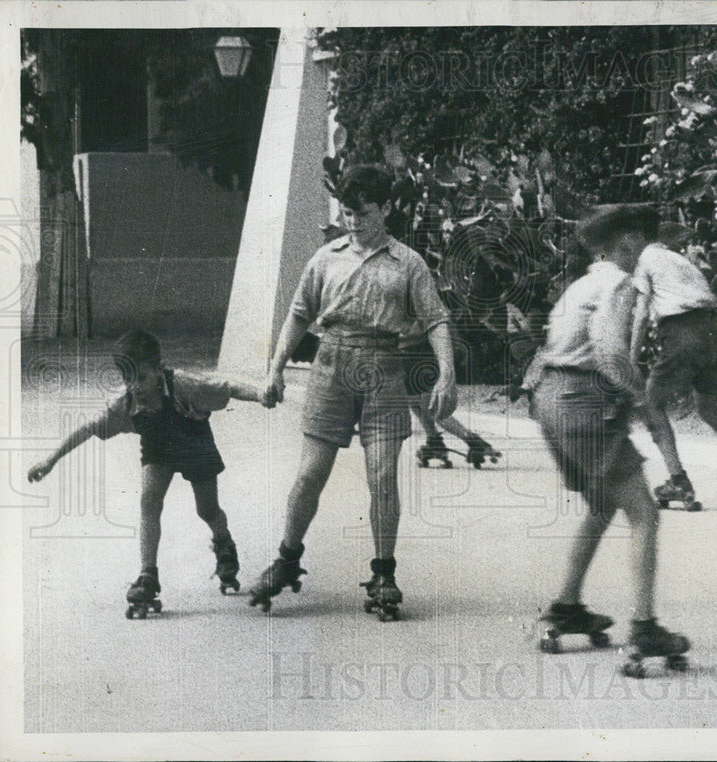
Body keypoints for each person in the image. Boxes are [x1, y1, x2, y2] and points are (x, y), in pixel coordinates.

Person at [249, 164, 457, 619]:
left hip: (384, 368)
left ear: (385, 210)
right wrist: (275, 370)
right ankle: (287, 559)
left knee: (382, 476)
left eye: (362, 214)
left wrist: (447, 374)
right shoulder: (326, 258)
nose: (354, 222)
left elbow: (437, 319)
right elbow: (299, 314)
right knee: (309, 475)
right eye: (347, 213)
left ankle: (384, 573)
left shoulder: (409, 263)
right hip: (331, 365)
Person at [526, 207, 690, 670]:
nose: (647, 250)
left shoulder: (581, 284)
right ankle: (644, 628)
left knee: (602, 504)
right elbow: (610, 351)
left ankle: (567, 605)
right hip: (582, 397)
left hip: (550, 396)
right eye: (643, 241)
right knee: (644, 513)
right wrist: (642, 400)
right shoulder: (618, 282)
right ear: (627, 243)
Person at [26, 329, 264, 617]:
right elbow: (88, 429)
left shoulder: (185, 385)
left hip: (194, 442)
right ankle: (147, 574)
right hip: (158, 449)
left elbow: (228, 388)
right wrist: (51, 460)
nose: (134, 386)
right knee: (149, 502)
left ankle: (224, 543)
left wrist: (262, 394)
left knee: (207, 510)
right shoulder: (124, 405)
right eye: (127, 379)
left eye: (141, 378)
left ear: (158, 369)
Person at [621, 206, 717, 508]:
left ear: (637, 238)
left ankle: (678, 481)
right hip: (712, 333)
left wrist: (630, 360)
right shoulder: (679, 259)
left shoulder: (645, 262)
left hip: (680, 332)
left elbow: (640, 315)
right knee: (708, 408)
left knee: (652, 405)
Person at [400, 328, 501, 469]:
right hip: (410, 353)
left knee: (432, 407)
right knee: (415, 402)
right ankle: (434, 440)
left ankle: (474, 442)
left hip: (416, 353)